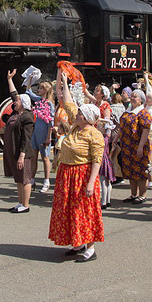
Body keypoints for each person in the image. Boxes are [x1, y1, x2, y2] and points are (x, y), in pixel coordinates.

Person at [48, 70, 104, 262]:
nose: (77, 113)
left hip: (82, 174)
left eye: (81, 113)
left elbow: (97, 160)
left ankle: (90, 248)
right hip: (68, 173)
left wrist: (90, 183)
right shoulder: (75, 126)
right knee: (70, 209)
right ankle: (78, 242)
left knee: (84, 210)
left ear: (88, 118)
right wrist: (64, 81)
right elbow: (69, 103)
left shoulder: (94, 134)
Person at [5, 71, 36, 212]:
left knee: (25, 178)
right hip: (13, 149)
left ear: (23, 103)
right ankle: (20, 202)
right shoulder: (16, 113)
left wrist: (22, 155)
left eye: (17, 101)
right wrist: (9, 79)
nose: (14, 102)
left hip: (22, 151)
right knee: (18, 178)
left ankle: (26, 204)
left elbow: (26, 137)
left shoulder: (27, 117)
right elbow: (13, 94)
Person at [113, 88, 151, 203]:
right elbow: (121, 126)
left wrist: (140, 146)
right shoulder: (128, 111)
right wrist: (115, 139)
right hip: (127, 145)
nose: (133, 98)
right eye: (132, 96)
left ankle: (142, 195)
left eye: (135, 96)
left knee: (140, 170)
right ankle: (133, 194)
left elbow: (145, 131)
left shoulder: (143, 113)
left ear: (141, 100)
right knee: (130, 170)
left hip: (138, 145)